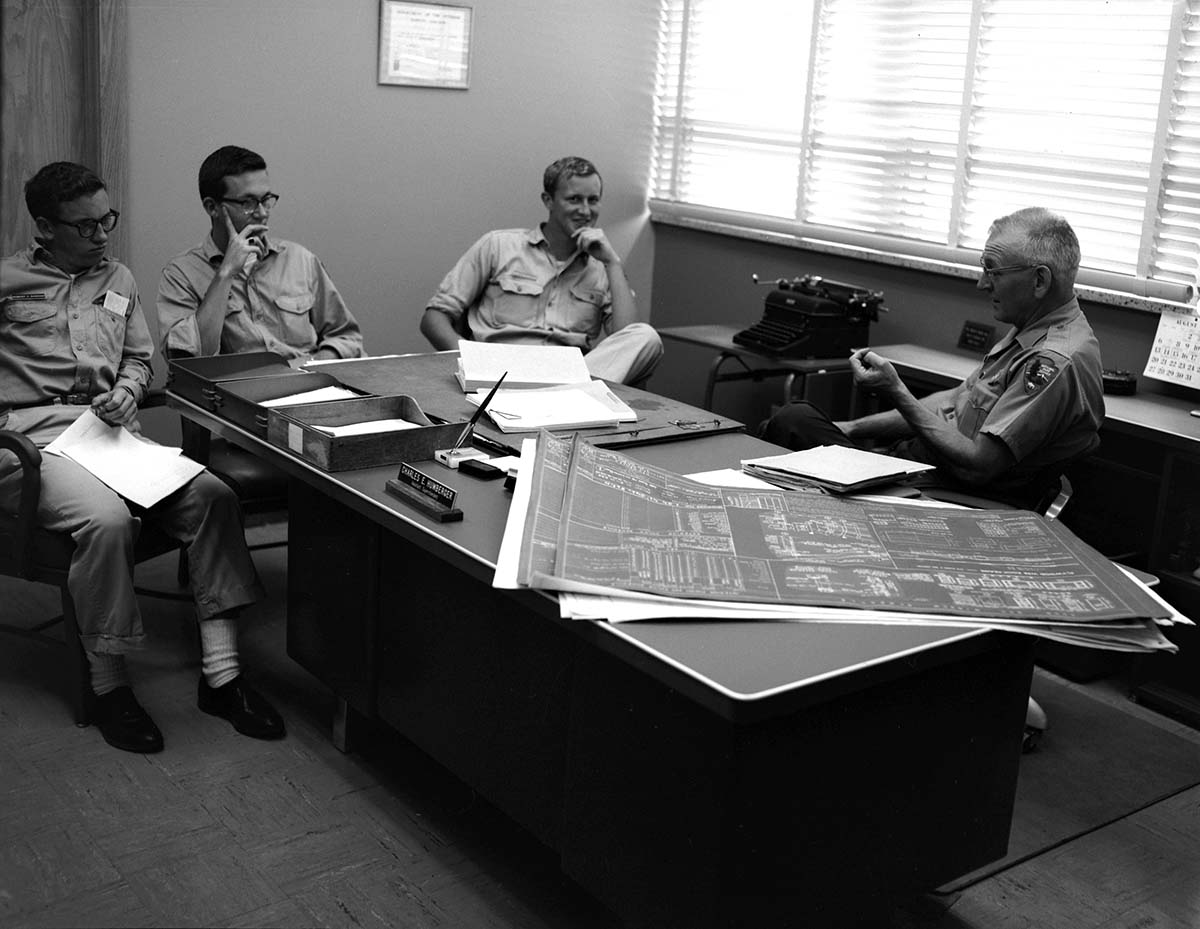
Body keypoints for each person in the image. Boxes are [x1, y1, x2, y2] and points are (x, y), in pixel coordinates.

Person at [0, 162, 284, 753]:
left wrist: (128, 390)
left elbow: (138, 360)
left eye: (109, 219)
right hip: (29, 441)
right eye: (86, 226)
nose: (103, 235)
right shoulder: (6, 283)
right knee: (105, 520)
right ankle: (109, 686)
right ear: (46, 229)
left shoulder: (120, 279)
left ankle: (223, 676)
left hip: (105, 431)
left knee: (212, 496)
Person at [760, 207, 1104, 510]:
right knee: (793, 427)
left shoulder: (1053, 361)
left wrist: (896, 390)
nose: (982, 284)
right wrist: (852, 428)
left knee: (793, 421)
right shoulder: (1031, 326)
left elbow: (978, 465)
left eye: (993, 271)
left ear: (1039, 280)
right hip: (921, 468)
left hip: (950, 497)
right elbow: (954, 402)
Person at [421, 156, 663, 385]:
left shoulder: (603, 267)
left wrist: (612, 262)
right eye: (574, 199)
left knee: (646, 336)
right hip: (499, 372)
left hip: (568, 375)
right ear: (548, 200)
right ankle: (567, 399)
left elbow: (625, 339)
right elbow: (434, 318)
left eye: (593, 200)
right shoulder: (498, 246)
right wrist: (472, 361)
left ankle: (567, 396)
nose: (586, 211)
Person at [157, 145, 364, 365]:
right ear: (212, 207)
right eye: (247, 203)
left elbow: (347, 336)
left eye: (266, 199)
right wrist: (226, 273)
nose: (262, 213)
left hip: (310, 388)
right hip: (236, 393)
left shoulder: (300, 260)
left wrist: (317, 365)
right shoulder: (180, 275)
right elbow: (188, 361)